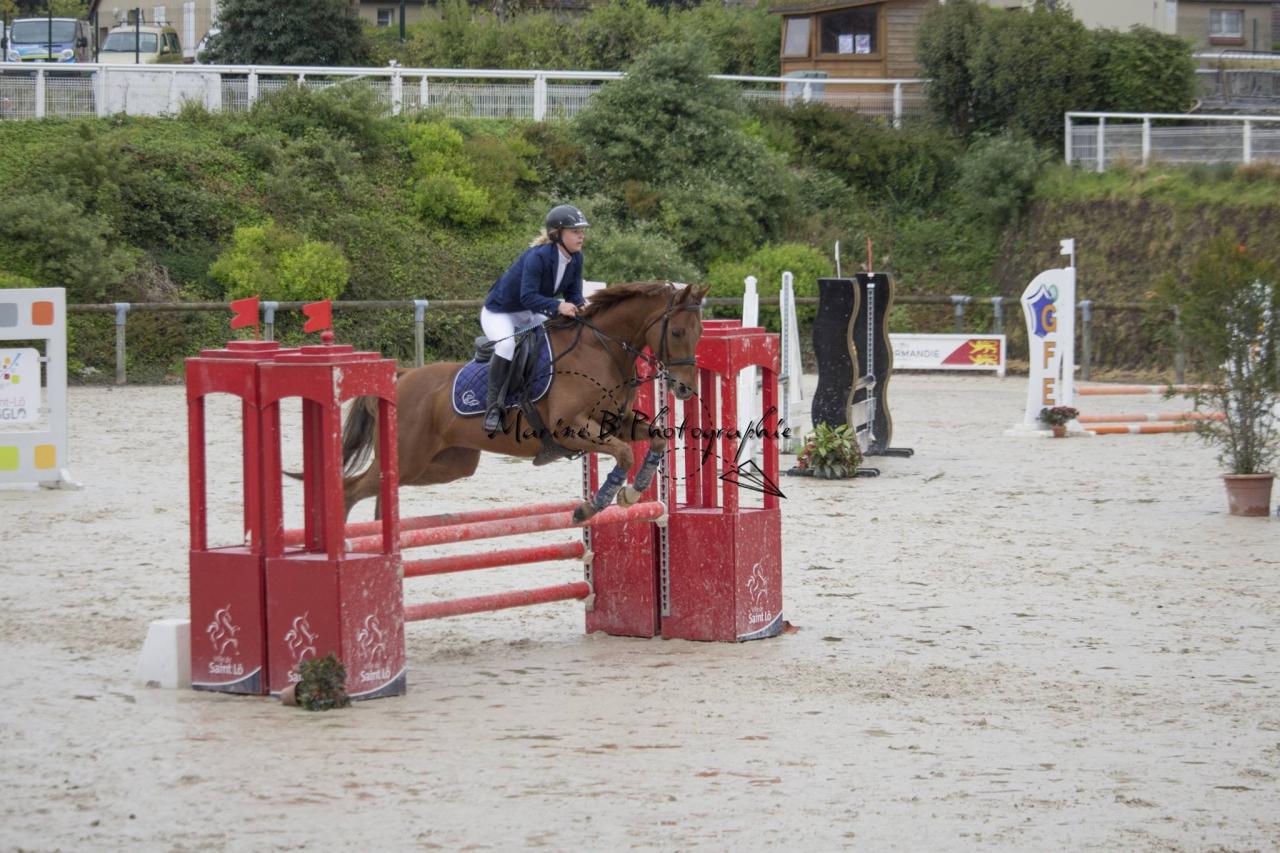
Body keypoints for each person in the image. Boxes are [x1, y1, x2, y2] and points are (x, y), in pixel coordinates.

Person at [480, 204, 590, 433]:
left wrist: (582, 307)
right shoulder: (538, 257)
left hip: (529, 313)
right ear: (557, 234)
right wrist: (558, 306)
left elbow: (574, 295)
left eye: (582, 231)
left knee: (557, 338)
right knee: (507, 344)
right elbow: (528, 296)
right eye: (574, 231)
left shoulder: (576, 258)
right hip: (500, 312)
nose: (581, 236)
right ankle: (494, 409)